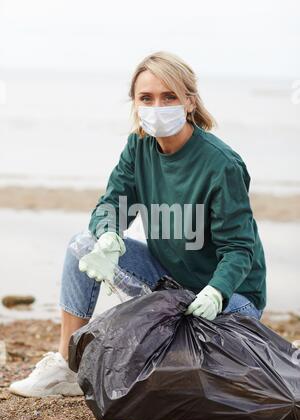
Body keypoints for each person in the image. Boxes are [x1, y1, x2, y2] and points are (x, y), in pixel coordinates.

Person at [9, 51, 266, 398]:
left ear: (189, 102)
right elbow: (111, 204)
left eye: (169, 96)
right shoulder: (138, 146)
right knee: (82, 244)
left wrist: (217, 291)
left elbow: (239, 249)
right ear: (135, 103)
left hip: (230, 297)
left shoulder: (221, 165)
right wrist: (109, 235)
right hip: (170, 280)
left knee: (186, 374)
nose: (157, 107)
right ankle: (68, 366)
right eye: (146, 98)